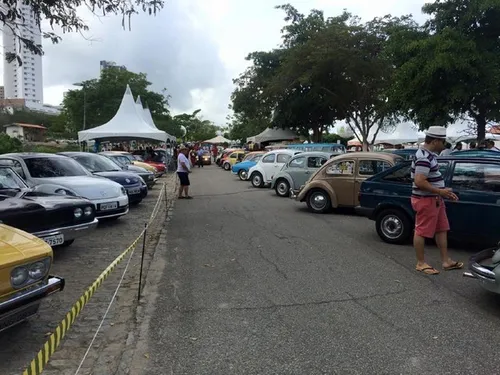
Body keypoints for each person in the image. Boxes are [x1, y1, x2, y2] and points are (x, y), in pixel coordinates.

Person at [411, 126, 463, 275]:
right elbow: (420, 181)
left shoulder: (429, 155)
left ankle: (446, 261)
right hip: (425, 199)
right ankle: (421, 263)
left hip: (434, 199)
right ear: (435, 141)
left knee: (441, 229)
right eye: (443, 141)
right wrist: (440, 191)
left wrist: (443, 193)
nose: (444, 145)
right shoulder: (423, 157)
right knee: (421, 231)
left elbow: (430, 179)